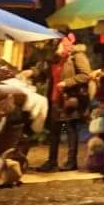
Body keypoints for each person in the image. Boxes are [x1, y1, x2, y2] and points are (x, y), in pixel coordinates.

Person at [36, 34, 93, 172]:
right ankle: (51, 161)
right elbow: (46, 73)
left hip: (69, 98)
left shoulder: (76, 56)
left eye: (60, 41)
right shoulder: (57, 57)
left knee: (70, 129)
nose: (58, 43)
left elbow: (86, 75)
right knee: (54, 130)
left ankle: (71, 162)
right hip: (56, 98)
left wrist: (66, 82)